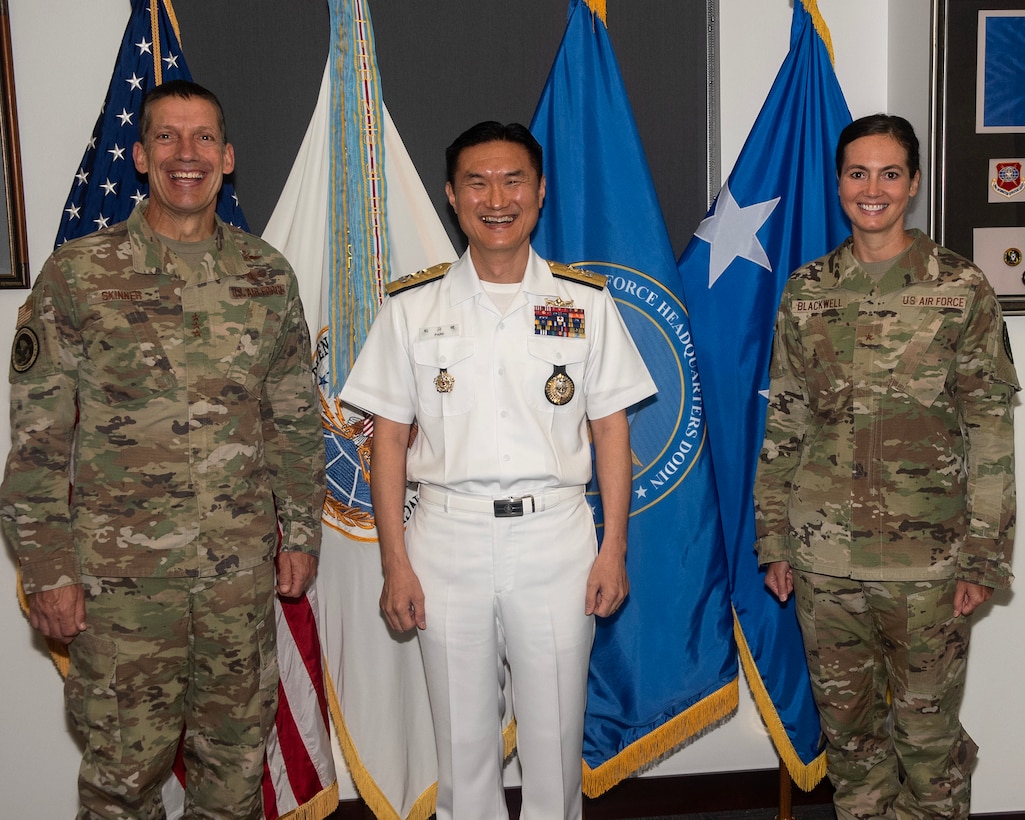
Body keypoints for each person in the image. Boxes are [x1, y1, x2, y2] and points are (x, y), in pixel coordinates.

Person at [0, 80, 325, 819]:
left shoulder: (266, 276)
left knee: (236, 776)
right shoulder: (79, 277)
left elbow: (292, 419)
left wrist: (300, 534)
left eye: (204, 137)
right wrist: (48, 571)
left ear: (228, 156)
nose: (188, 154)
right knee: (122, 781)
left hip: (237, 585)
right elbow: (39, 443)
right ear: (141, 156)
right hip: (120, 592)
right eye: (169, 139)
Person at [340, 121, 656, 819]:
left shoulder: (584, 303)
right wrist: (395, 562)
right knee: (462, 750)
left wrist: (613, 548)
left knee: (553, 745)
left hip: (556, 540)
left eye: (513, 180)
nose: (496, 198)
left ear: (540, 193)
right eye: (477, 182)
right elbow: (386, 440)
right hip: (444, 540)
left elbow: (610, 429)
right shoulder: (411, 308)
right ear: (452, 197)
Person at [754, 113, 1018, 819]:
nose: (871, 188)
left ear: (913, 185)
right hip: (824, 561)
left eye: (889, 173)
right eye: (856, 172)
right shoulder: (807, 292)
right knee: (850, 744)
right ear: (838, 182)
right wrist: (775, 538)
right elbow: (785, 419)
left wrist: (984, 558)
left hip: (927, 565)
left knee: (927, 745)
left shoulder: (960, 288)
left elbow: (990, 432)